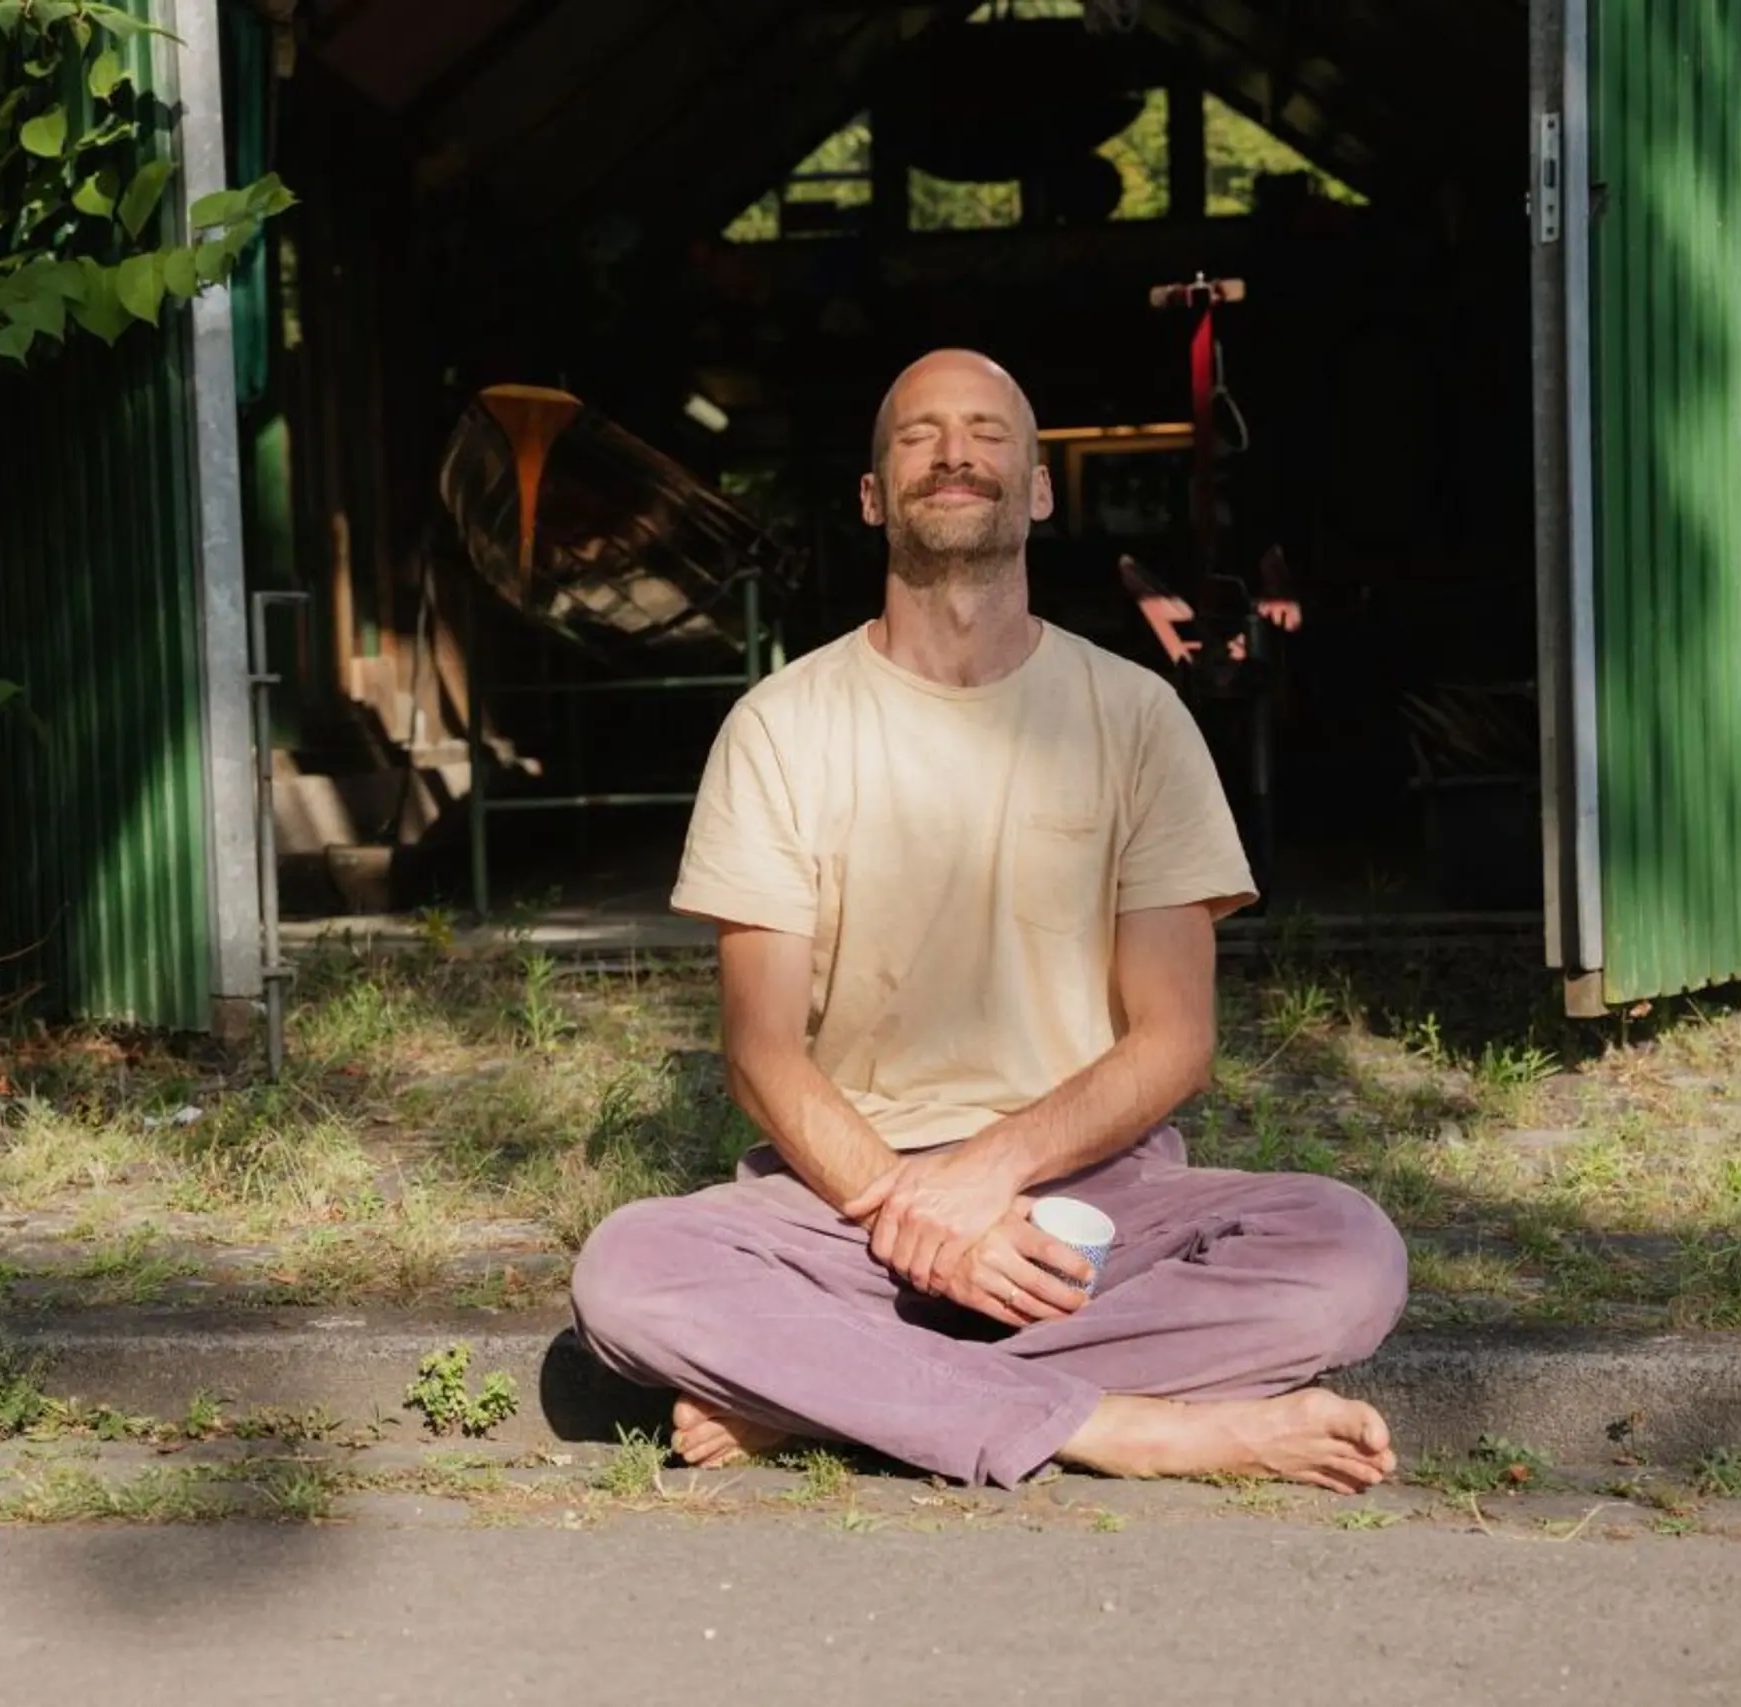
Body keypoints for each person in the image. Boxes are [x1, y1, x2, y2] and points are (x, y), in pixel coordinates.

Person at [569, 350, 1407, 1492]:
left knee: (1346, 1249)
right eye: (916, 435)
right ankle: (1119, 1425)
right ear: (872, 496)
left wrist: (984, 1179)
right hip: (846, 1205)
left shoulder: (1135, 716)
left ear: (1040, 486)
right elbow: (759, 1048)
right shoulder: (780, 725)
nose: (954, 453)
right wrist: (912, 1210)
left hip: (1092, 1199)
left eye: (987, 432)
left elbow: (1175, 1039)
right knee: (631, 1267)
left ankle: (837, 1398)